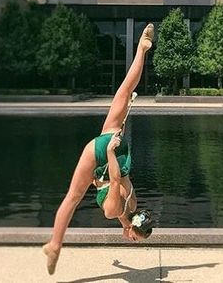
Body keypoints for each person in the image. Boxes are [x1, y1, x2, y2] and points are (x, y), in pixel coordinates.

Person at [42, 23, 155, 275]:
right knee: (72, 197)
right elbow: (114, 180)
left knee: (124, 92)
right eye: (136, 239)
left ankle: (141, 50)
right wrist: (111, 152)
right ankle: (55, 246)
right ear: (132, 231)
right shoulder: (114, 210)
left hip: (118, 148)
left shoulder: (130, 209)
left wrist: (116, 146)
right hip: (106, 153)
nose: (134, 242)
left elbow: (120, 189)